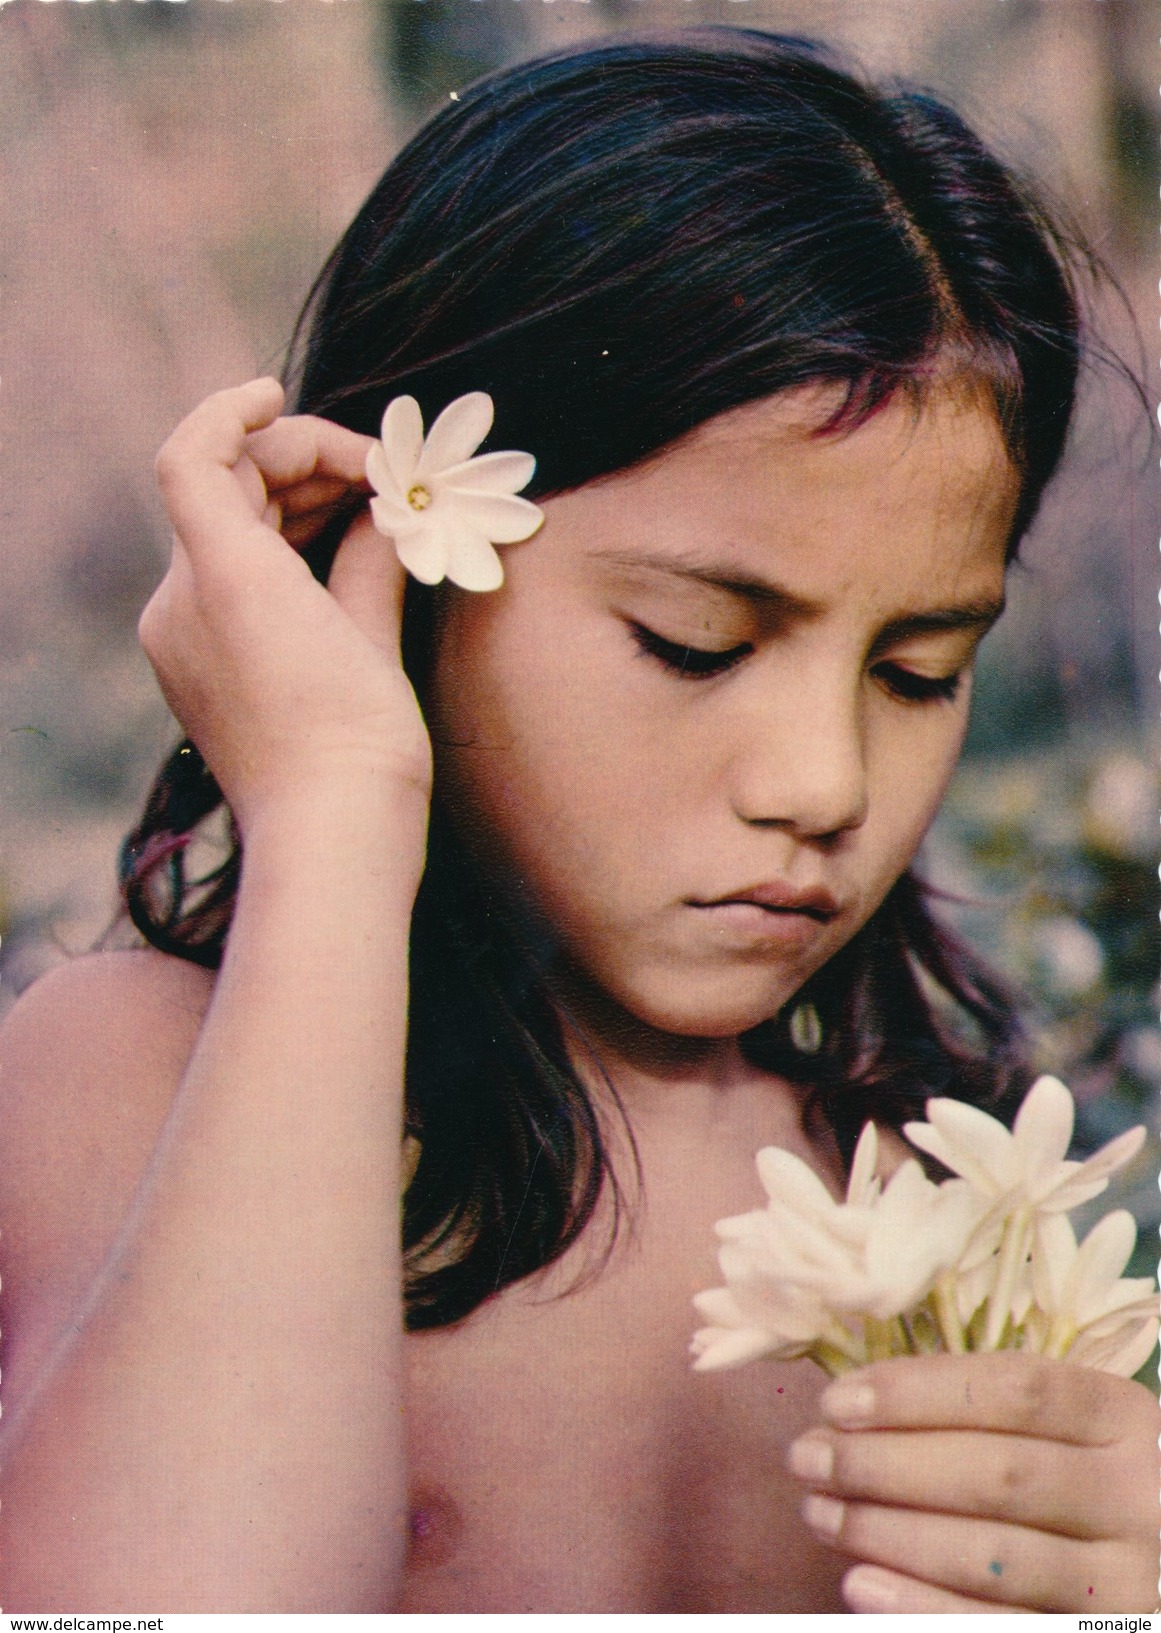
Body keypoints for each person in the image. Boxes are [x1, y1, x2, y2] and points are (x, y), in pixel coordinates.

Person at [0, 29, 1155, 1614]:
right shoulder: (134, 1079)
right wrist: (336, 812)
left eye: (917, 667)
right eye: (692, 643)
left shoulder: (934, 1180)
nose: (820, 781)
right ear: (393, 554)